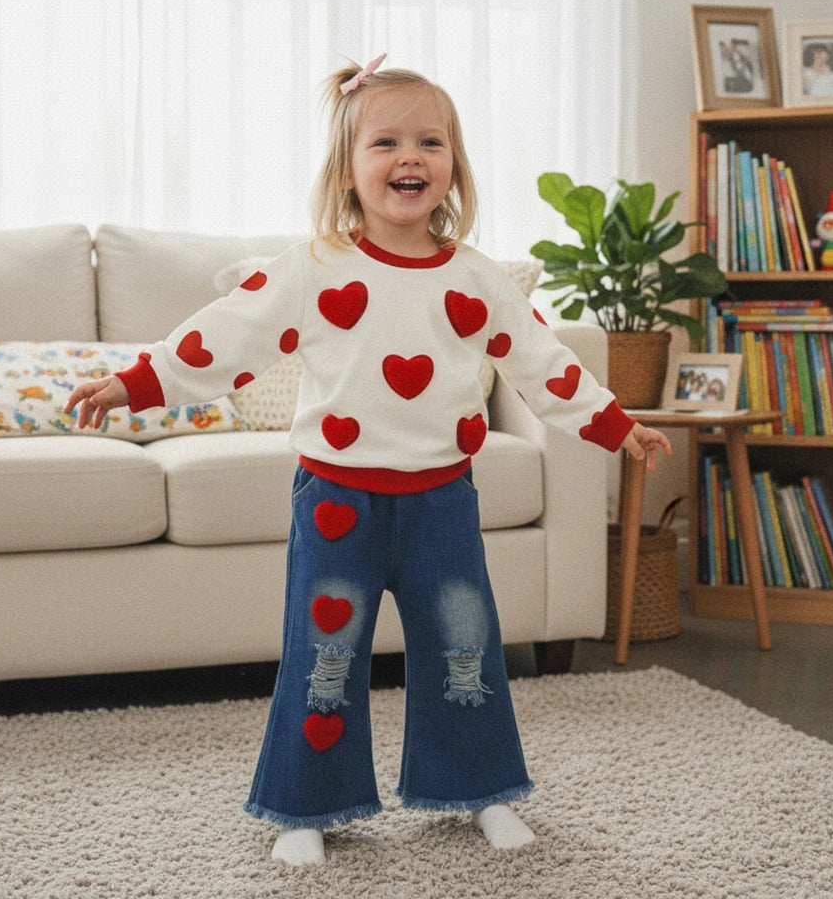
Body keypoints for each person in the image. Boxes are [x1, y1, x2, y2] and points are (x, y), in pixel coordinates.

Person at [64, 54, 671, 866]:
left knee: (466, 650)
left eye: (430, 141)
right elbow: (226, 335)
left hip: (442, 503)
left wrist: (613, 424)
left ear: (454, 167)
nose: (409, 157)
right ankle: (304, 808)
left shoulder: (478, 278)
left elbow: (542, 362)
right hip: (336, 501)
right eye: (385, 142)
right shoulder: (315, 270)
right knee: (325, 658)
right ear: (349, 171)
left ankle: (478, 790)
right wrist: (135, 380)